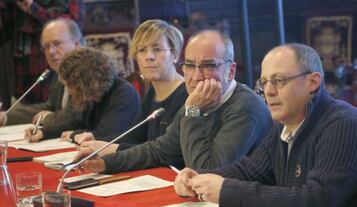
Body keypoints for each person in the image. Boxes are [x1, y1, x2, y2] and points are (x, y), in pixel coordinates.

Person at [174, 43, 357, 207]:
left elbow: (316, 202)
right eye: (264, 83)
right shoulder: (287, 123)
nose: (269, 91)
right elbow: (249, 170)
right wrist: (198, 177)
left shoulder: (345, 125)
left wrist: (226, 190)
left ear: (313, 82)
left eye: (278, 81)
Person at [75, 30, 273, 173]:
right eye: (189, 66)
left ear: (230, 71)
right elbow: (160, 150)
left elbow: (206, 170)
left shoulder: (245, 108)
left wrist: (194, 111)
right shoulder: (197, 100)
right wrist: (106, 162)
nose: (196, 76)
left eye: (208, 66)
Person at [74, 19, 188, 148]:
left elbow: (164, 151)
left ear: (175, 54)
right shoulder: (152, 92)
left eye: (157, 49)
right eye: (142, 50)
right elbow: (134, 137)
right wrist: (98, 141)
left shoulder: (186, 94)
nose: (149, 56)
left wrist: (110, 149)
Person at [24, 47, 141, 143]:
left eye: (70, 86)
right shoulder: (94, 95)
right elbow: (78, 122)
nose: (69, 92)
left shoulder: (124, 94)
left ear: (85, 83)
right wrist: (44, 132)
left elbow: (105, 135)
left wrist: (73, 135)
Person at [0, 0, 84, 108]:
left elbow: (72, 26)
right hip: (22, 77)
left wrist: (32, 7)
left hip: (55, 73)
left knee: (56, 108)